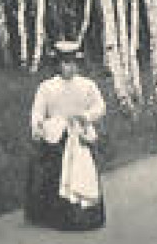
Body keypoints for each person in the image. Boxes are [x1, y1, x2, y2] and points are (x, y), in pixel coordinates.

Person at [25, 39, 108, 231]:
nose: (69, 68)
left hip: (79, 133)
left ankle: (85, 214)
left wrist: (86, 116)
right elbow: (38, 110)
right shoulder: (47, 87)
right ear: (58, 65)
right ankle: (55, 215)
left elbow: (100, 106)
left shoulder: (87, 85)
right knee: (54, 173)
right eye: (64, 63)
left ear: (77, 64)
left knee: (83, 170)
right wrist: (37, 125)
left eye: (72, 63)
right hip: (56, 135)